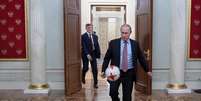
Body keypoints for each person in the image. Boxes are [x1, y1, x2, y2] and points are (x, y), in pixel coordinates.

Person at [101, 24, 152, 101]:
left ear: (130, 33)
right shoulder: (113, 43)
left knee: (127, 97)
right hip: (115, 72)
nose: (124, 35)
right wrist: (103, 70)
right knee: (112, 92)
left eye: (126, 33)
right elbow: (107, 58)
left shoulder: (135, 44)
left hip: (129, 73)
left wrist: (147, 70)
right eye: (122, 33)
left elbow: (141, 58)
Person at [81, 23, 101, 88]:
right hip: (85, 54)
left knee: (95, 69)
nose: (90, 29)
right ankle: (83, 76)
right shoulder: (83, 36)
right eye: (88, 28)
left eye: (91, 28)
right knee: (86, 68)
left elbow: (97, 45)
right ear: (86, 28)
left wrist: (98, 54)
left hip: (93, 54)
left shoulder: (95, 36)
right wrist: (87, 54)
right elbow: (84, 46)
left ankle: (95, 83)